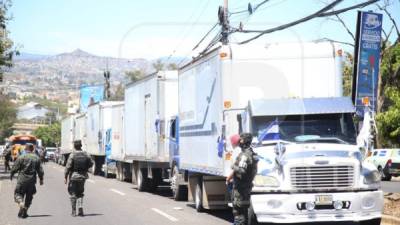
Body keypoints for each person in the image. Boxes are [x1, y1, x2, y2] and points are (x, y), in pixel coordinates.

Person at [226, 133, 258, 225]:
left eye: (241, 139)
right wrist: (230, 177)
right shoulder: (251, 152)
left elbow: (241, 170)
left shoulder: (245, 155)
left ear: (243, 141)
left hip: (241, 188)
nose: (239, 141)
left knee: (239, 212)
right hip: (246, 187)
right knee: (243, 212)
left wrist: (233, 166)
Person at [10, 143, 44, 219]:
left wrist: (11, 174)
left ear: (25, 149)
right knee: (29, 196)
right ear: (32, 149)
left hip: (22, 179)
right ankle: (25, 211)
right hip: (32, 181)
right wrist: (41, 179)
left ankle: (21, 203)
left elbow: (15, 168)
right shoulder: (36, 158)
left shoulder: (21, 157)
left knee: (18, 194)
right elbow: (40, 171)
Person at [64, 140, 93, 217]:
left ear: (74, 146)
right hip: (83, 177)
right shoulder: (86, 154)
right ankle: (80, 209)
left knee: (73, 193)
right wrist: (85, 168)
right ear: (81, 145)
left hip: (74, 176)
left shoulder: (72, 155)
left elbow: (68, 166)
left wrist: (65, 176)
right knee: (80, 193)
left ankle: (73, 211)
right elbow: (91, 163)